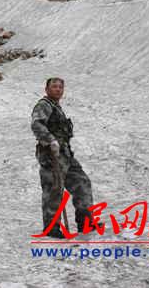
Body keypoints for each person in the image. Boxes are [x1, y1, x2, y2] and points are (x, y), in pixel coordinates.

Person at [31, 77, 94, 238]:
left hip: (65, 154)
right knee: (54, 191)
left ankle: (85, 222)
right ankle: (52, 228)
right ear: (46, 89)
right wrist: (49, 139)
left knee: (82, 182)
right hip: (51, 155)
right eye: (54, 86)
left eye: (60, 87)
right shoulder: (43, 105)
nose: (58, 89)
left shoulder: (56, 107)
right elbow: (37, 124)